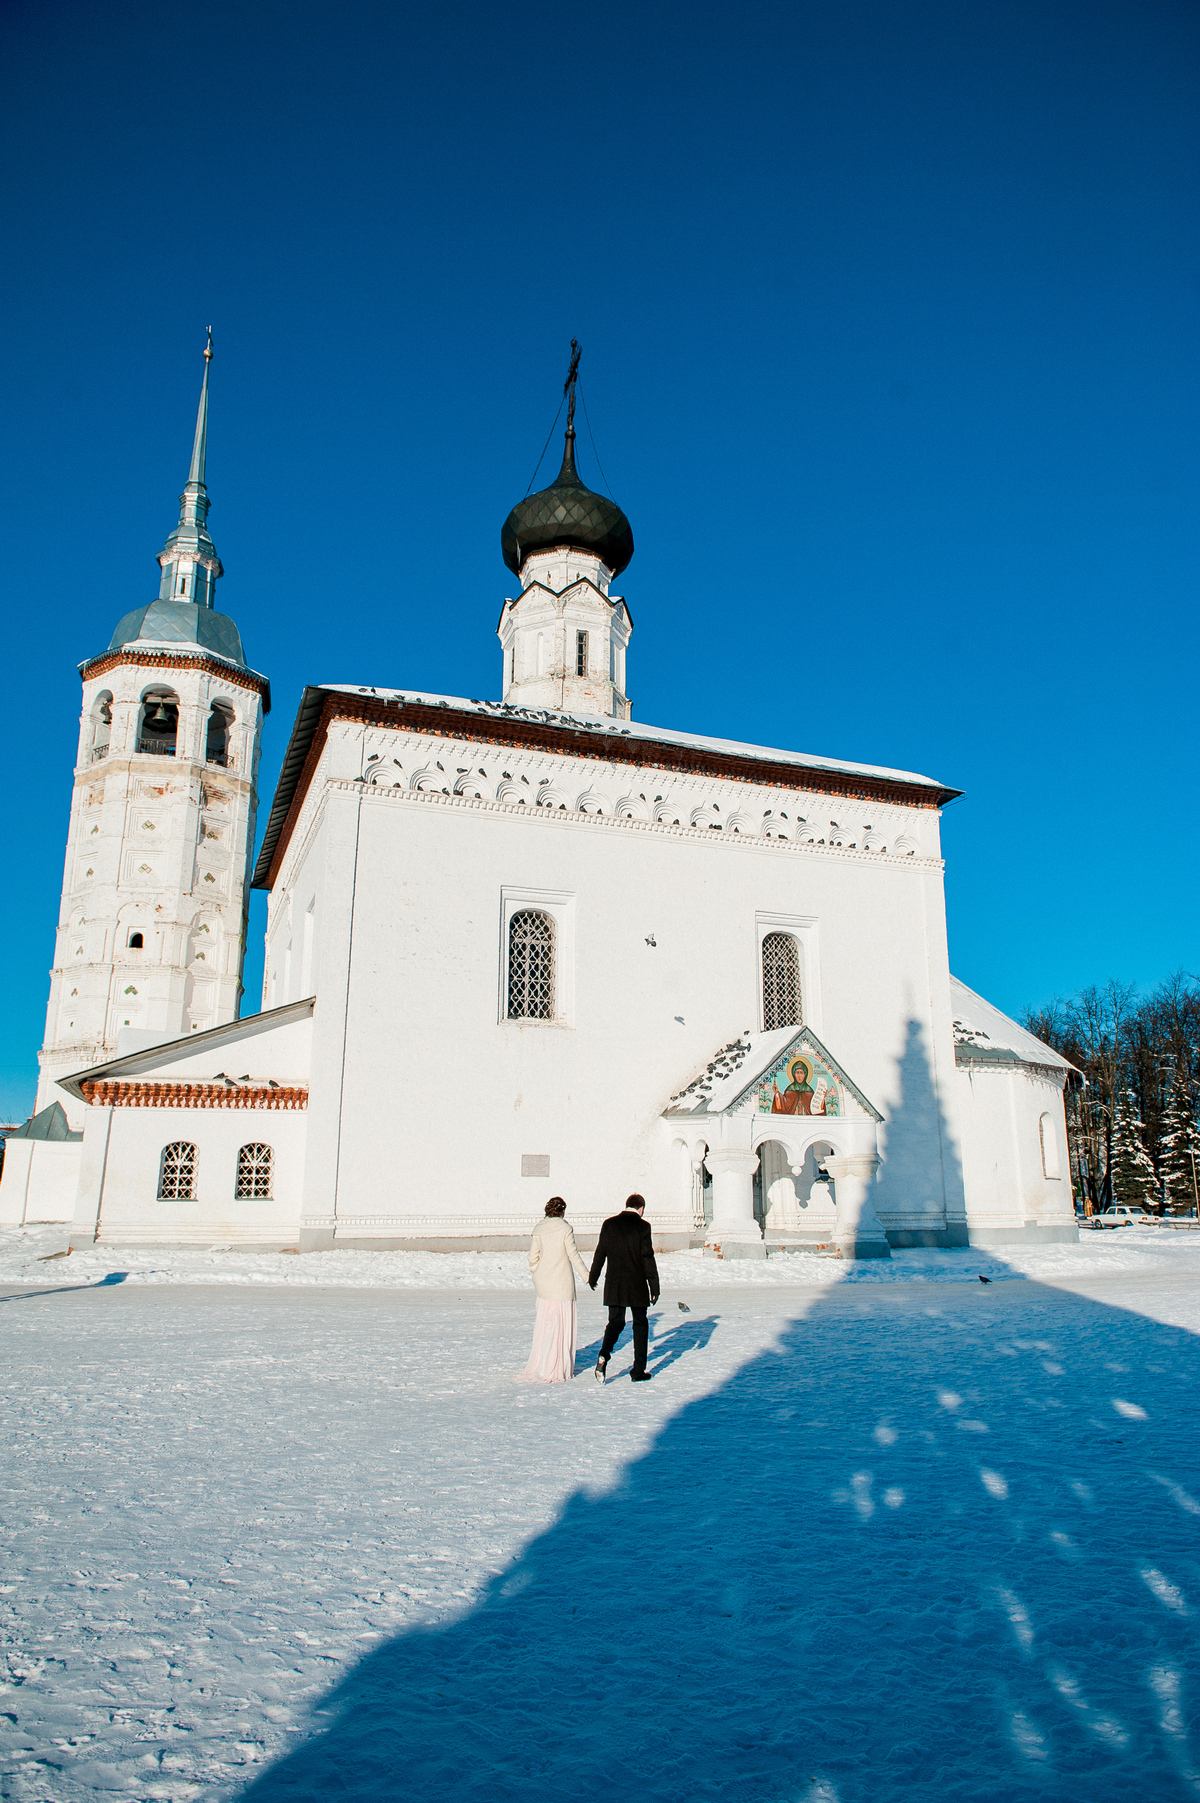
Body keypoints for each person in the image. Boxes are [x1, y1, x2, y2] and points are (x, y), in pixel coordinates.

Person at [516, 1197, 591, 1383]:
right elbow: (573, 1256)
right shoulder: (565, 1229)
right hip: (562, 1285)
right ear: (562, 1211)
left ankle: (543, 1363)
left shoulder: (539, 1229)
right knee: (560, 1326)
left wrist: (539, 1272)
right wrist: (588, 1277)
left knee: (546, 1325)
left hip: (544, 1285)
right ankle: (558, 1366)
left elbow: (531, 1260)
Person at [588, 1193, 660, 1383]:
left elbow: (600, 1252)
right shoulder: (643, 1227)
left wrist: (593, 1276)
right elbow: (647, 1257)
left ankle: (604, 1354)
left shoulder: (609, 1224)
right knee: (640, 1324)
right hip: (636, 1284)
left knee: (616, 1322)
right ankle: (638, 1371)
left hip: (615, 1283)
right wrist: (654, 1285)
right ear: (641, 1209)